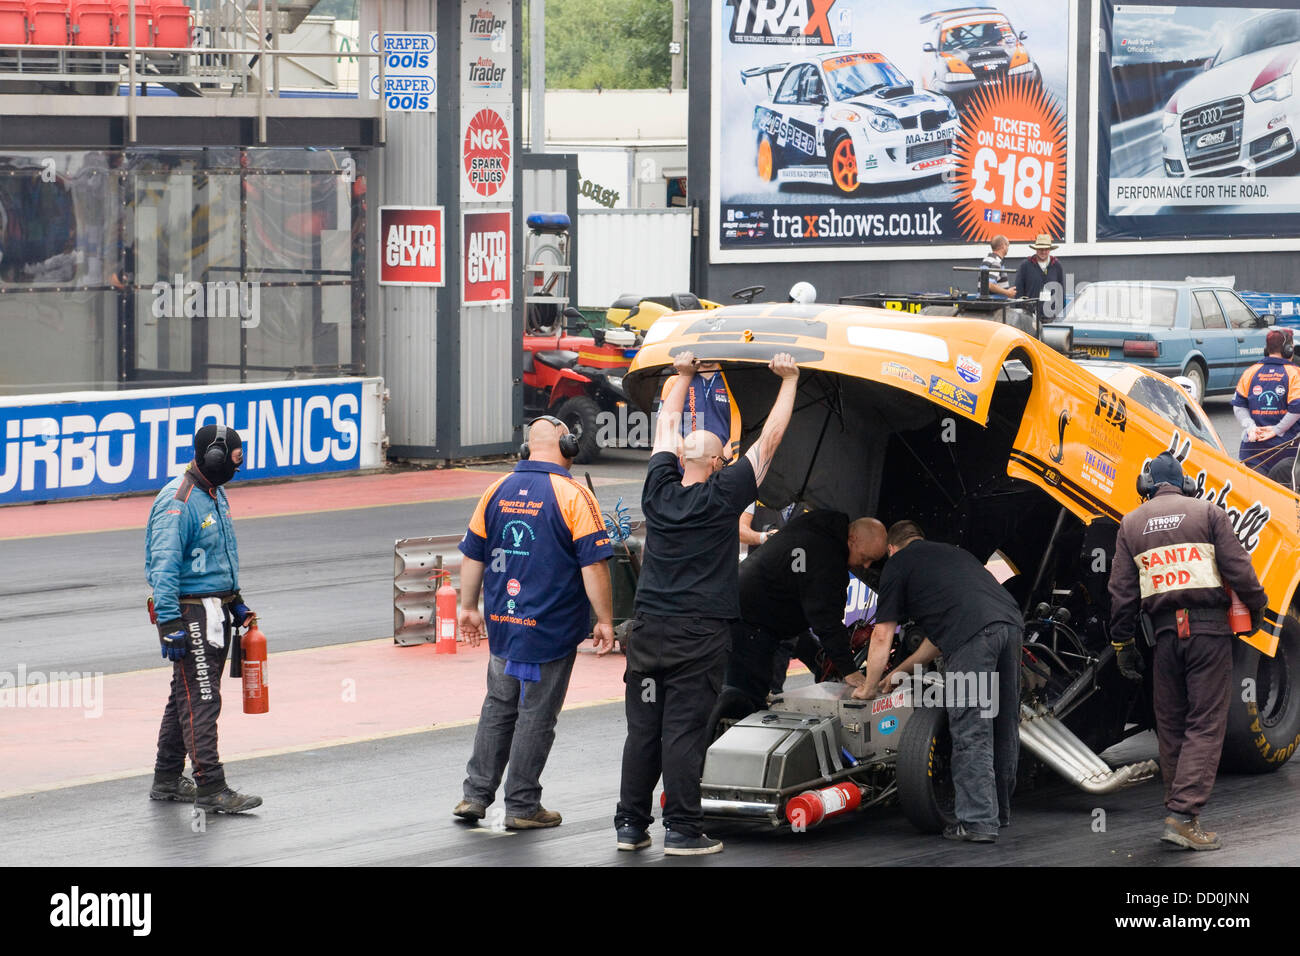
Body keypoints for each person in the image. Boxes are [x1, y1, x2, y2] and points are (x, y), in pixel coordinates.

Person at [615, 349, 800, 856]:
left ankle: (630, 826)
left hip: (648, 632)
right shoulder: (725, 495)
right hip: (697, 636)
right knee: (683, 731)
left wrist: (682, 376)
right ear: (718, 463)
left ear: (680, 461)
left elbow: (665, 425)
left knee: (643, 731)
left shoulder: (657, 489)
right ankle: (681, 830)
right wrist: (788, 381)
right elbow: (770, 442)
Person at [454, 416, 615, 829]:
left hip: (504, 623)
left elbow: (473, 553)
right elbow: (594, 565)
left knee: (498, 705)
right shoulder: (573, 494)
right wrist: (605, 619)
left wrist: (468, 607)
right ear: (569, 445)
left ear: (527, 449)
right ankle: (523, 806)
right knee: (537, 714)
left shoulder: (496, 489)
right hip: (550, 628)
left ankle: (475, 796)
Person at [1108, 452, 1268, 851]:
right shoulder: (1208, 512)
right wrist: (1259, 607)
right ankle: (1183, 817)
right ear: (1186, 485)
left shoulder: (1131, 524)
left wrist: (1121, 642)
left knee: (1173, 725)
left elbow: (1122, 595)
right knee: (1205, 724)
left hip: (1163, 638)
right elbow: (1239, 570)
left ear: (1146, 486)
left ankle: (1180, 814)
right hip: (1208, 633)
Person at [854, 521, 1023, 844]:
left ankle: (976, 822)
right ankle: (997, 813)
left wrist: (869, 686)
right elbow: (939, 636)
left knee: (971, 726)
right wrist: (899, 671)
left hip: (974, 637)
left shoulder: (897, 565)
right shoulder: (952, 555)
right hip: (1009, 624)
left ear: (891, 548)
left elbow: (882, 634)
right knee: (1003, 723)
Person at [145, 424, 261, 813]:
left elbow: (216, 558)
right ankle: (211, 787)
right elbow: (163, 567)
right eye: (233, 460)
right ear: (212, 457)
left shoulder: (216, 492)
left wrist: (236, 600)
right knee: (203, 699)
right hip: (190, 612)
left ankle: (166, 778)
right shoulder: (177, 502)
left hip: (215, 608)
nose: (237, 469)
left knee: (185, 697)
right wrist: (169, 623)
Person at [712, 512, 888, 724]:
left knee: (805, 655)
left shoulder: (820, 526)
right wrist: (849, 670)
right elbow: (827, 621)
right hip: (753, 619)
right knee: (747, 695)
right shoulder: (826, 556)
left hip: (762, 608)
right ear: (852, 539)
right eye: (865, 558)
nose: (866, 566)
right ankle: (734, 742)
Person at [1232, 329, 1300, 476]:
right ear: (1288, 350)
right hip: (1285, 450)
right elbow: (1297, 408)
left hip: (1252, 450)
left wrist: (1250, 427)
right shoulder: (1294, 373)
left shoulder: (1250, 372)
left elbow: (1238, 405)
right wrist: (1277, 429)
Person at [660, 360, 741, 462]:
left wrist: (720, 459)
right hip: (684, 468)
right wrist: (690, 458)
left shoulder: (735, 381)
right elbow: (666, 427)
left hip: (725, 466)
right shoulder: (675, 381)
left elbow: (742, 428)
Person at [1013, 233, 1065, 323]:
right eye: (1041, 249)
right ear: (1036, 249)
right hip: (1030, 316)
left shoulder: (1057, 265)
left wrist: (1060, 312)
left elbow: (1061, 290)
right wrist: (1021, 311)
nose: (1043, 252)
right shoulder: (1026, 265)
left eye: (1046, 249)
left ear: (1050, 250)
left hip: (1051, 316)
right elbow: (1019, 290)